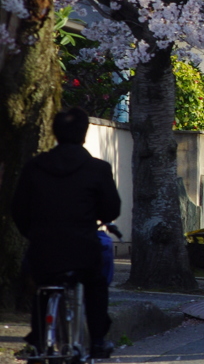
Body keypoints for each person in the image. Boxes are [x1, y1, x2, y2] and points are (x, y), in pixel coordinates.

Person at [12, 107, 121, 360]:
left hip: (42, 249)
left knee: (42, 285)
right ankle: (97, 341)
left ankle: (38, 340)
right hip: (83, 249)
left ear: (55, 133)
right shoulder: (97, 169)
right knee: (96, 284)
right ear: (84, 134)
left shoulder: (34, 167)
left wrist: (34, 234)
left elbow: (18, 209)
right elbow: (111, 209)